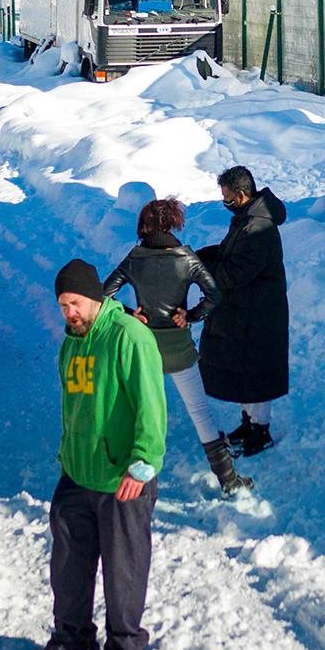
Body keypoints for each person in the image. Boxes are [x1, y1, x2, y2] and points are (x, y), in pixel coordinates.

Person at [27, 259, 166, 650]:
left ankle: (124, 649)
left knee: (123, 569)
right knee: (68, 564)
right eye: (63, 305)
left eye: (76, 303)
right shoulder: (71, 341)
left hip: (123, 476)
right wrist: (69, 454)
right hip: (78, 471)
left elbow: (151, 405)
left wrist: (142, 463)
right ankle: (73, 640)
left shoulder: (130, 337)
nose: (70, 312)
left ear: (97, 297)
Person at [103, 198, 250, 497]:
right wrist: (191, 315)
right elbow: (214, 294)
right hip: (178, 347)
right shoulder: (187, 258)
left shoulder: (134, 258)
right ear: (172, 224)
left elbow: (104, 295)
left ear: (144, 226)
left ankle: (124, 476)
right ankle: (228, 479)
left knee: (135, 412)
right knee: (200, 412)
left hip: (142, 349)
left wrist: (130, 314)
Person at [196, 166, 289, 457]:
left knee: (257, 373)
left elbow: (237, 272)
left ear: (242, 194)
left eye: (227, 196)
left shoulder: (257, 227)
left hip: (259, 312)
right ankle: (248, 423)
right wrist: (201, 256)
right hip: (247, 309)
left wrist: (202, 269)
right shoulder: (246, 219)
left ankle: (261, 430)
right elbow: (231, 253)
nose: (224, 201)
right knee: (245, 370)